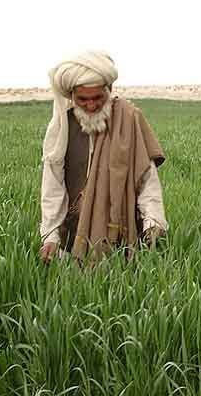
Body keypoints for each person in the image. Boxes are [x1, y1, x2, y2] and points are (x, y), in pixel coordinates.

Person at [39, 51, 167, 262]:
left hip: (123, 233)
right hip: (73, 232)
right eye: (83, 99)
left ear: (110, 90)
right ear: (71, 96)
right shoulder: (63, 127)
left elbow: (146, 175)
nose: (91, 106)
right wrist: (50, 236)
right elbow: (52, 184)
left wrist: (153, 221)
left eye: (98, 97)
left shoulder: (128, 118)